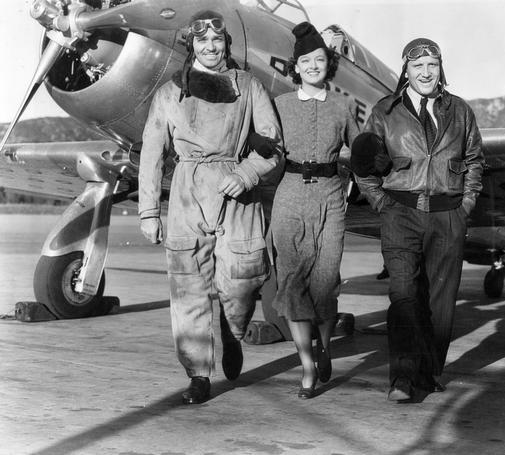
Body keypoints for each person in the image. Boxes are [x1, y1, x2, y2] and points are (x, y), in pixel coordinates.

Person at [138, 10, 282, 405]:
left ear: (226, 44)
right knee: (187, 287)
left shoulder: (249, 86)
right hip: (187, 191)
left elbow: (272, 144)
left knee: (243, 279)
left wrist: (248, 172)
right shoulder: (170, 93)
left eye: (217, 41)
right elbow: (152, 152)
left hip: (236, 192)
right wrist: (149, 211)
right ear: (193, 45)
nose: (211, 47)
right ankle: (199, 374)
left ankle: (233, 330)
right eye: (202, 41)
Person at [352, 38, 484, 401]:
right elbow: (363, 167)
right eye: (418, 66)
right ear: (405, 71)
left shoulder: (460, 111)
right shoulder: (384, 111)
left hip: (447, 215)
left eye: (432, 65)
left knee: (440, 303)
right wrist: (383, 204)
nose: (426, 73)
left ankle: (427, 372)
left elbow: (474, 160)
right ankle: (403, 378)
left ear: (440, 69)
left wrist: (465, 205)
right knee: (404, 295)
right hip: (401, 213)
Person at [271, 22, 359, 399]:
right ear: (296, 66)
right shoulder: (279, 106)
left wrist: (365, 175)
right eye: (305, 60)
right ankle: (307, 363)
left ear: (329, 64)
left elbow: (360, 150)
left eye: (319, 60)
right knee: (292, 282)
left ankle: (324, 348)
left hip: (331, 197)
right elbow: (266, 149)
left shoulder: (344, 105)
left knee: (325, 281)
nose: (312, 66)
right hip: (289, 197)